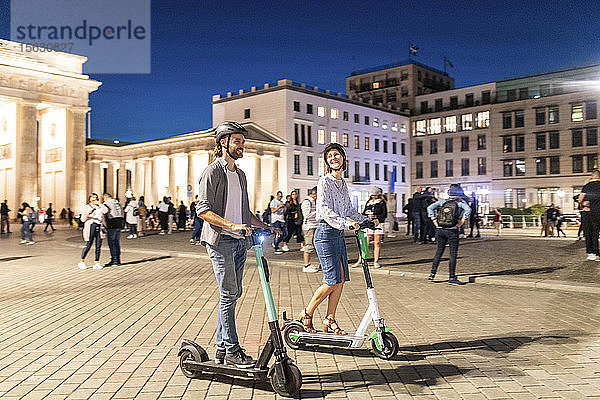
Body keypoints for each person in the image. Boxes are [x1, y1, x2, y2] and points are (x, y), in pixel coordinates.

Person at [197, 121, 278, 367]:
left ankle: (222, 350)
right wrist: (231, 226)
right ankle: (232, 351)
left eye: (243, 141)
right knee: (228, 294)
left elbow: (244, 212)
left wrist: (264, 225)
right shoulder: (212, 171)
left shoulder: (240, 175)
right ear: (224, 143)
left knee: (232, 295)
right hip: (220, 241)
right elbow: (203, 210)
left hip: (239, 242)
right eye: (238, 141)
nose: (242, 145)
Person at [298, 143, 374, 336]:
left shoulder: (343, 184)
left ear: (343, 159)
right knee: (332, 280)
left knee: (340, 281)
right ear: (327, 161)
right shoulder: (325, 181)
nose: (333, 158)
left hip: (338, 236)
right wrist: (347, 224)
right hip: (325, 234)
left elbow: (348, 209)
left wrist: (365, 220)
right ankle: (306, 313)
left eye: (337, 154)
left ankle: (329, 318)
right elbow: (323, 210)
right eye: (330, 156)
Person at [427, 184, 471, 285]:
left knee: (439, 252)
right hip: (452, 230)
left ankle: (432, 274)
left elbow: (430, 208)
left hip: (440, 229)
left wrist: (434, 220)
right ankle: (452, 277)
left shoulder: (443, 201)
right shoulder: (460, 202)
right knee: (452, 254)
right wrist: (462, 220)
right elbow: (468, 209)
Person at [354, 186, 387, 269]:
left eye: (375, 195)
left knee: (377, 243)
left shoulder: (382, 203)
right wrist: (366, 215)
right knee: (365, 243)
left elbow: (384, 214)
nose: (373, 196)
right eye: (372, 195)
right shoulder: (368, 202)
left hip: (378, 223)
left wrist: (376, 216)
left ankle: (376, 261)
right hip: (369, 223)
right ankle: (360, 260)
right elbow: (363, 212)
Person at [79, 193, 105, 269]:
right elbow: (82, 219)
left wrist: (101, 205)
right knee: (89, 244)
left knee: (98, 245)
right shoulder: (87, 207)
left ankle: (97, 262)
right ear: (90, 198)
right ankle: (82, 261)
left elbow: (104, 214)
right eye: (93, 197)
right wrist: (88, 214)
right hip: (91, 225)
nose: (95, 199)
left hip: (99, 226)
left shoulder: (99, 207)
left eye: (96, 198)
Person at [579, 170, 600, 261]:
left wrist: (582, 204)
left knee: (588, 233)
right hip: (598, 211)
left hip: (588, 212)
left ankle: (590, 253)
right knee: (596, 233)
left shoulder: (587, 186)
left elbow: (580, 199)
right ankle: (596, 252)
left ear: (592, 176)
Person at [301, 187, 319, 273]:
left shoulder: (313, 202)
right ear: (315, 194)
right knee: (309, 246)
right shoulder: (306, 202)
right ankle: (306, 265)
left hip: (314, 225)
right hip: (309, 227)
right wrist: (318, 212)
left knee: (313, 245)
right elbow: (307, 215)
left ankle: (308, 264)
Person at [103, 193, 124, 267]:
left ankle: (114, 260)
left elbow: (104, 212)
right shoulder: (118, 203)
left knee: (111, 243)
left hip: (111, 223)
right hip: (119, 223)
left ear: (106, 197)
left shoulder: (106, 203)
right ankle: (118, 259)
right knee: (116, 242)